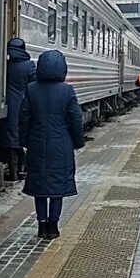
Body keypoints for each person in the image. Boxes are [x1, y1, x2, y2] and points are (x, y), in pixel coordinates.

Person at [19, 49, 86, 239]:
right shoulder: (67, 90)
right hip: (61, 145)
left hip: (37, 144)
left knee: (40, 188)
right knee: (57, 188)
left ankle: (41, 226)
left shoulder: (31, 89)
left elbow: (24, 117)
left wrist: (24, 140)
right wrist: (78, 141)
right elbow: (75, 119)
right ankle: (53, 227)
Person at [1, 37, 36, 181]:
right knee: (22, 140)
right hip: (23, 106)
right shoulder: (29, 66)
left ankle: (13, 172)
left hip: (6, 106)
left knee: (10, 140)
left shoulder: (4, 64)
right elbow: (34, 85)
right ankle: (21, 170)